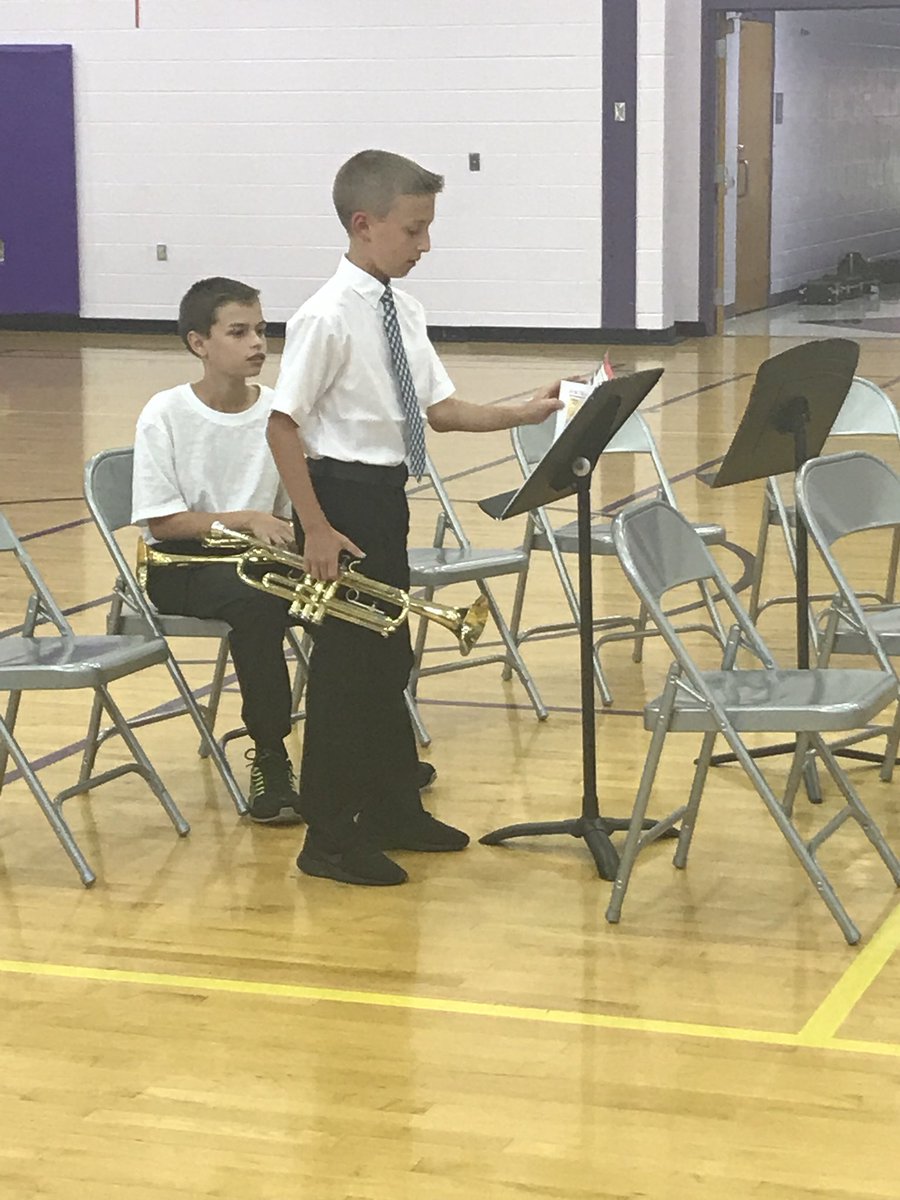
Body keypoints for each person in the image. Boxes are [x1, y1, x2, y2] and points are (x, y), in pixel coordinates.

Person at [268, 149, 562, 888]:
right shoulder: (326, 317)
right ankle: (329, 838)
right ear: (365, 226)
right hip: (339, 501)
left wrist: (523, 410)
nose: (425, 245)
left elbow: (439, 411)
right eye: (414, 229)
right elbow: (282, 427)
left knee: (389, 656)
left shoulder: (401, 308)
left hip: (384, 496)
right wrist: (317, 528)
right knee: (346, 671)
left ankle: (393, 805)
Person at [131, 276, 306, 826]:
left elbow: (293, 509)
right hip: (184, 565)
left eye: (261, 329)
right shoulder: (165, 413)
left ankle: (368, 749)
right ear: (198, 343)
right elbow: (162, 520)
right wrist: (247, 520)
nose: (258, 342)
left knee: (347, 593)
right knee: (258, 604)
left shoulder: (279, 411)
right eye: (238, 331)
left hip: (258, 558)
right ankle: (272, 758)